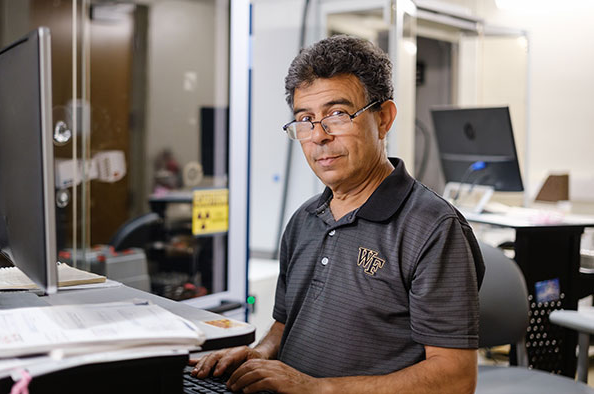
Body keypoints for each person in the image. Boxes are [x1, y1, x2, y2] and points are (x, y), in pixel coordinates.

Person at [190, 34, 485, 394]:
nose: (319, 136)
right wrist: (259, 356)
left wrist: (319, 388)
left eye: (337, 114)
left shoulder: (433, 229)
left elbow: (455, 378)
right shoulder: (304, 220)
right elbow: (286, 326)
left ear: (384, 118)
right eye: (305, 119)